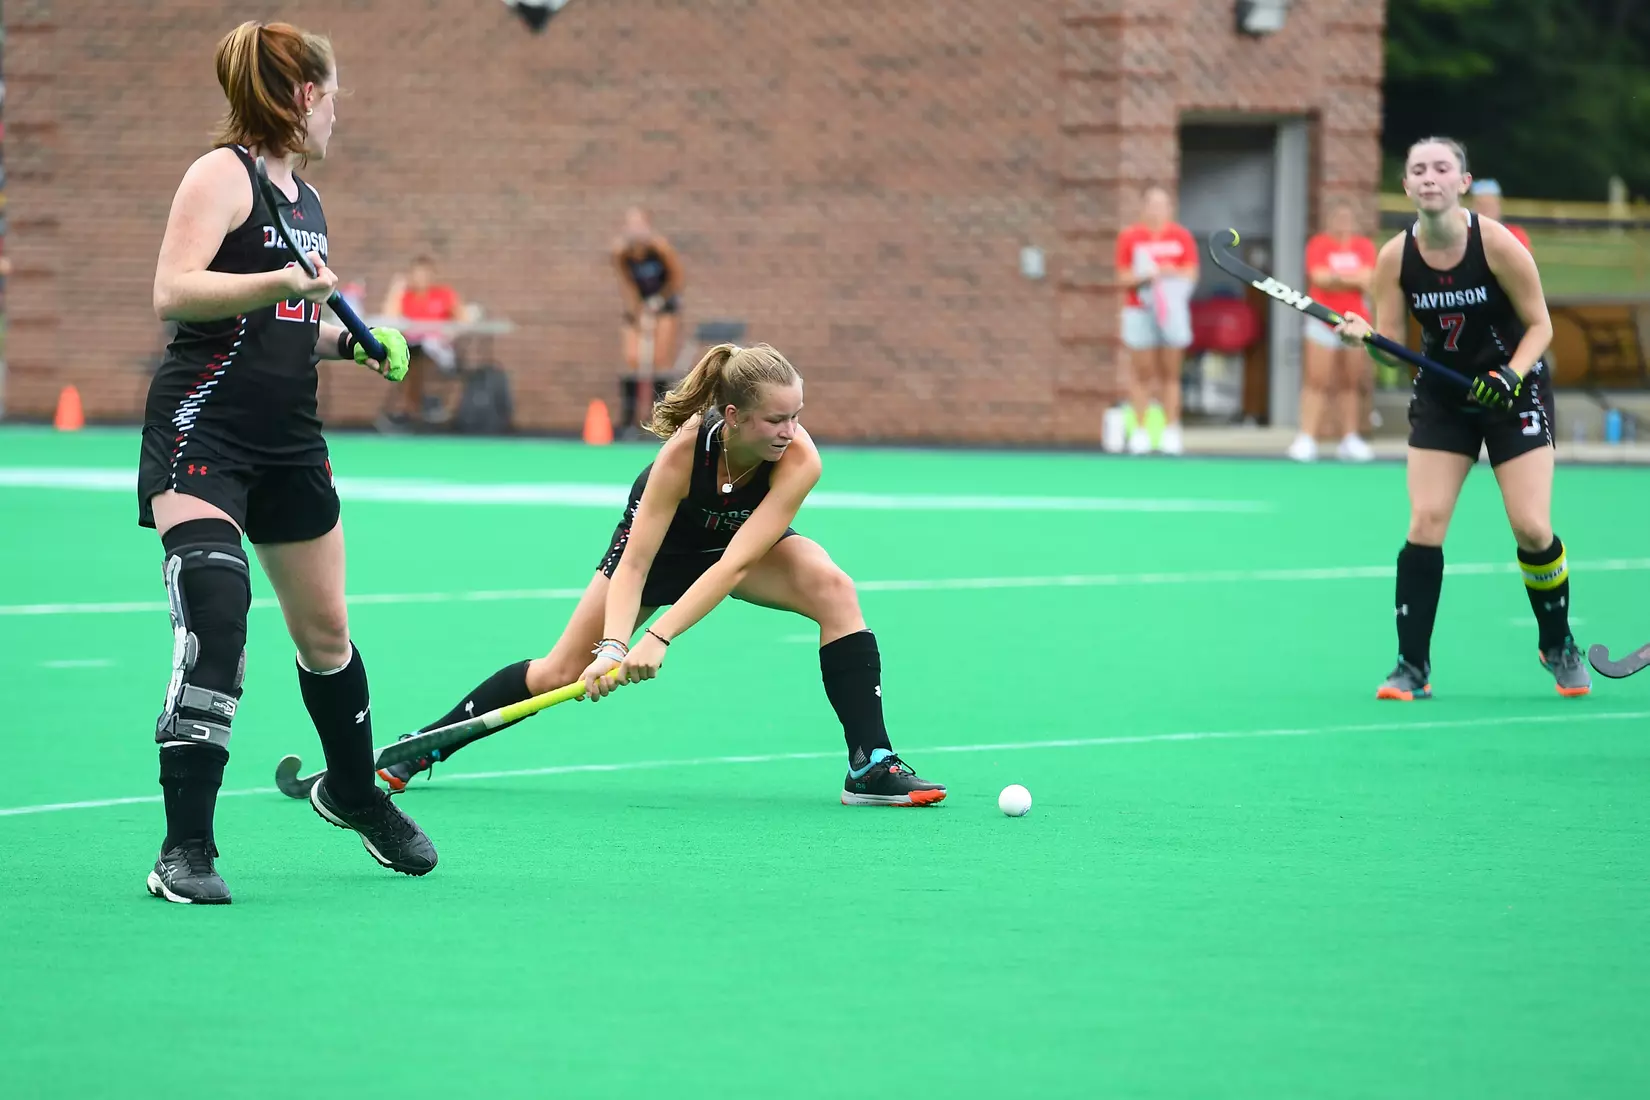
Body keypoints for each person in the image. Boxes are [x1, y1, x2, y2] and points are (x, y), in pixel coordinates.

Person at [379, 343, 948, 807]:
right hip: (662, 551)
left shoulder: (800, 460)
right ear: (734, 417)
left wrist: (659, 636)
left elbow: (737, 562)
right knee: (559, 671)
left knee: (833, 588)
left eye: (797, 416)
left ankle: (869, 764)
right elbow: (636, 561)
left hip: (734, 545)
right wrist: (613, 644)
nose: (789, 430)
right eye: (776, 419)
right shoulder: (684, 454)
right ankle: (426, 742)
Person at [139, 20, 437, 903]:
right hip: (204, 434)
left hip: (289, 443)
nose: (337, 113)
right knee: (218, 616)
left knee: (326, 637)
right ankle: (184, 851)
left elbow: (285, 331)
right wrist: (283, 284)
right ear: (305, 95)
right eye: (333, 95)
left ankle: (351, 793)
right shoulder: (218, 175)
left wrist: (355, 347)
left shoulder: (303, 199)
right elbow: (175, 291)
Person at [1335, 136, 1590, 701]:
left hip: (1512, 394)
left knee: (1530, 526)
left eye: (1441, 168)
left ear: (1462, 181)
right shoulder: (1394, 256)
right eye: (1418, 170)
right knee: (1425, 522)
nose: (1430, 177)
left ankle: (1557, 642)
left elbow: (1541, 326)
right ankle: (1411, 666)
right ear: (1406, 185)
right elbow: (1392, 350)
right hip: (1445, 400)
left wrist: (1510, 376)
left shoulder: (1496, 244)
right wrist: (1367, 339)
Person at [1290, 202, 1378, 462]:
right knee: (1316, 380)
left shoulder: (1364, 246)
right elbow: (1319, 278)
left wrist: (1337, 276)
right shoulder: (1319, 244)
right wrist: (1349, 277)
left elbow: (1367, 279)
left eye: (1347, 218)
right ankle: (1307, 437)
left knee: (1350, 382)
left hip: (1355, 322)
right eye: (1338, 217)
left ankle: (1349, 438)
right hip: (1321, 319)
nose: (1342, 223)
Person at [1115, 185, 1198, 455]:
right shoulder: (1130, 237)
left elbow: (1192, 273)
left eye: (1163, 204)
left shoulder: (1181, 237)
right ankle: (1139, 431)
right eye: (1153, 204)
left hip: (1171, 312)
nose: (1158, 210)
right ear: (1143, 207)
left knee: (1170, 373)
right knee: (1142, 373)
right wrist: (1145, 276)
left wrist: (1170, 271)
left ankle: (1171, 430)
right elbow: (1123, 277)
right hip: (1140, 310)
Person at [614, 207, 686, 436]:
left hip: (664, 306)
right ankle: (630, 420)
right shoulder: (621, 253)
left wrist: (658, 301)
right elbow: (626, 284)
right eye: (630, 225)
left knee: (659, 360)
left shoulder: (660, 249)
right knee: (633, 358)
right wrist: (637, 309)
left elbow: (677, 279)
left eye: (639, 225)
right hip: (639, 308)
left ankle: (661, 419)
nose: (635, 230)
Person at [378, 254, 466, 429]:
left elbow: (463, 319)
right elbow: (388, 319)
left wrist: (450, 333)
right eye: (416, 274)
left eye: (425, 274)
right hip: (412, 350)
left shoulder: (444, 295)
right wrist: (396, 289)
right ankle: (414, 407)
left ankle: (420, 404)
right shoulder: (406, 296)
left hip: (440, 351)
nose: (420, 278)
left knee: (418, 357)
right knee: (409, 357)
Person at [1469, 179, 1534, 253]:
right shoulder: (1464, 237)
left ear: (1499, 205)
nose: (1485, 209)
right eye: (1480, 204)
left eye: (1489, 204)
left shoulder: (1515, 235)